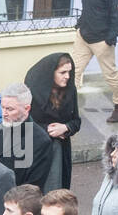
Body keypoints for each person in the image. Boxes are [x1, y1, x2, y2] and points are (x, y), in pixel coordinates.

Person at [25, 52, 80, 191]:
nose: (67, 76)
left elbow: (76, 121)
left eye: (69, 72)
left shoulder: (70, 90)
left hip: (61, 150)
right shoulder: (33, 90)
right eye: (62, 72)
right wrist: (49, 130)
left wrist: (65, 128)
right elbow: (25, 121)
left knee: (57, 191)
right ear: (51, 72)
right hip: (36, 148)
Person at [0, 82, 54, 191]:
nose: (4, 114)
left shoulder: (41, 141)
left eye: (10, 109)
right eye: (2, 107)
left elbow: (32, 187)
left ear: (27, 108)